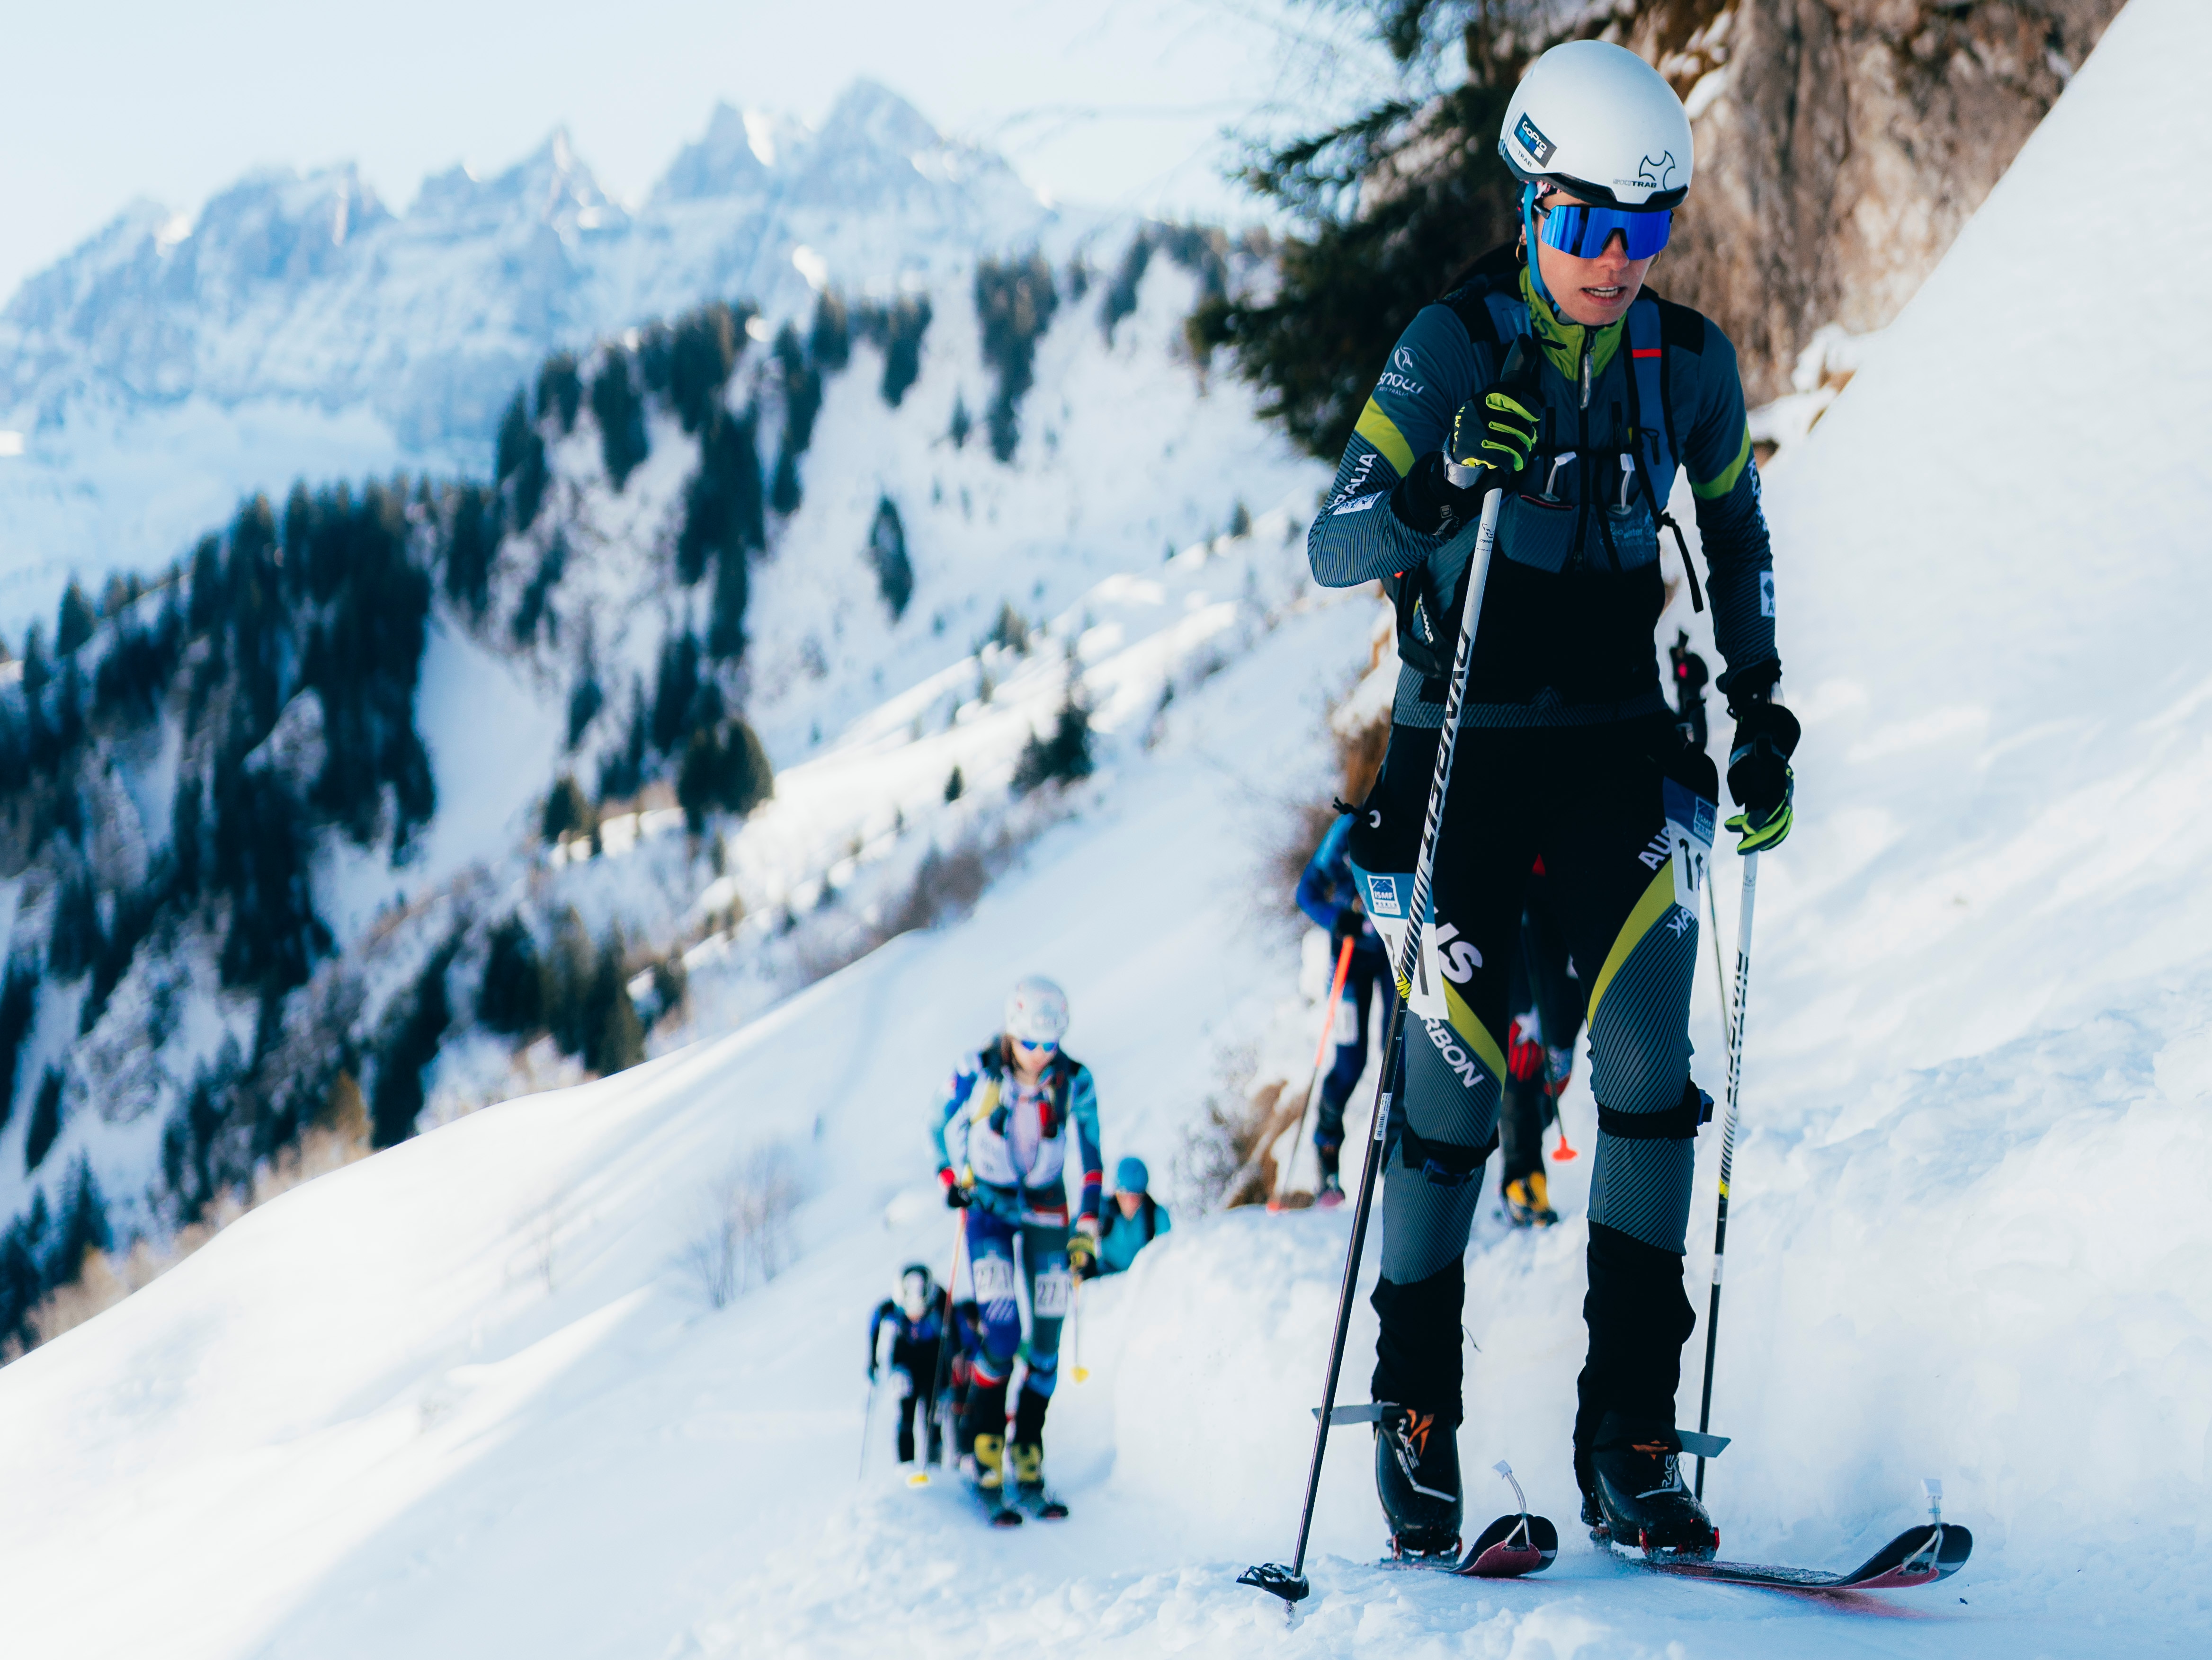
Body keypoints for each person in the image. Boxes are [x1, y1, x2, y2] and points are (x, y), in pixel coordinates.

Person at [1303, 39, 1798, 1560]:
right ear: (1529, 203)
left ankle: (1629, 1442)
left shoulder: (1689, 365)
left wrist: (1763, 707)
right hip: (1458, 747)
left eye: (1645, 230)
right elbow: (1335, 543)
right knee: (1448, 1098)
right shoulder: (1454, 344)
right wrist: (1446, 481)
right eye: (1585, 225)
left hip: (1616, 746)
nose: (1613, 261)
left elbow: (1737, 542)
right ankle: (1415, 1426)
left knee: (1652, 1074)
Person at [930, 975, 1103, 1505]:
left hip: (1048, 1208)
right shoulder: (976, 1069)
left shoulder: (1075, 1079)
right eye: (1030, 1043)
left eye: (1050, 1044)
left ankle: (1028, 1447)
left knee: (1047, 1344)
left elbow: (1092, 1156)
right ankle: (985, 1443)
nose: (1040, 1055)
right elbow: (937, 1124)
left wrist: (1089, 1228)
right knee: (1002, 1335)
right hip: (989, 1208)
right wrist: (950, 1178)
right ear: (1012, 1033)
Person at [1294, 812, 1399, 1203]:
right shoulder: (1345, 834)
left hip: (1392, 955)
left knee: (1398, 1055)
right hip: (1349, 960)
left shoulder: (1402, 828)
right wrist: (1340, 919)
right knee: (1350, 1063)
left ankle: (1395, 1157)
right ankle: (1327, 1156)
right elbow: (1306, 894)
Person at [1498, 859, 1584, 1229]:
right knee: (1524, 1048)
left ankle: (1528, 1154)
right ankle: (1522, 1177)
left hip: (1584, 884)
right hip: (1527, 884)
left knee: (1560, 1051)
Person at [867, 1263, 945, 1465]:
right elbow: (875, 1323)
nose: (916, 1315)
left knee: (933, 1415)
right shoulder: (890, 1308)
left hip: (932, 1362)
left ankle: (934, 1464)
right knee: (906, 1413)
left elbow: (954, 1331)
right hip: (904, 1362)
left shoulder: (940, 1301)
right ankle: (906, 1466)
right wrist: (872, 1360)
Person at [1087, 1156, 1171, 1276]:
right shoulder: (1103, 1210)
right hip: (1106, 1275)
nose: (1131, 1202)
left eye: (1136, 1196)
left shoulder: (1155, 1214)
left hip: (1141, 1276)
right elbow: (1080, 1230)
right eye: (1125, 1196)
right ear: (1116, 1193)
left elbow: (1168, 1247)